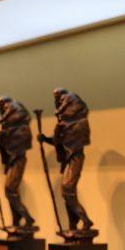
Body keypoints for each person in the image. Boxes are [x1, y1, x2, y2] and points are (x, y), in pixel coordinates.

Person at [38, 88, 94, 233]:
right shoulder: (64, 124)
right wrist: (46, 139)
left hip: (75, 157)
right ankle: (72, 224)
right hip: (69, 159)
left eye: (60, 100)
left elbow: (71, 141)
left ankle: (86, 220)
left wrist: (59, 133)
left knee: (67, 190)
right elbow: (61, 141)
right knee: (68, 192)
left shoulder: (79, 123)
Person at [0, 96, 36, 231]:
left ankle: (27, 217)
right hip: (12, 161)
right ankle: (16, 219)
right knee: (11, 191)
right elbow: (4, 145)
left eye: (4, 106)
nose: (2, 109)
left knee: (10, 189)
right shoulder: (8, 130)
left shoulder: (20, 128)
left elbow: (16, 145)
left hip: (17, 160)